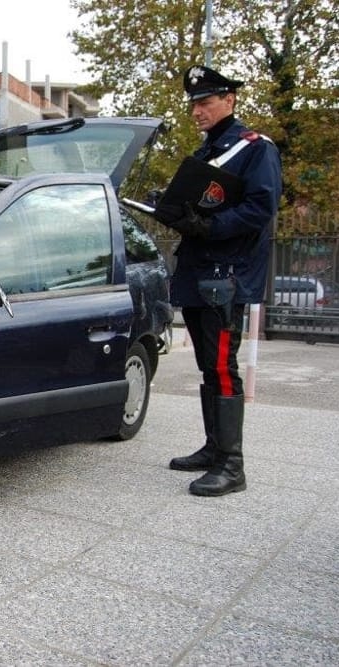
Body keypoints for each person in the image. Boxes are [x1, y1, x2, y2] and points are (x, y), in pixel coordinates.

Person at [156, 65, 283, 496]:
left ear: (229, 100)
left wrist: (209, 227)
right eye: (194, 103)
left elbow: (260, 208)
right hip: (198, 273)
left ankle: (233, 466)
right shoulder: (207, 152)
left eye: (205, 101)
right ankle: (214, 448)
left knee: (225, 370)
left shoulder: (254, 148)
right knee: (208, 367)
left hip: (226, 275)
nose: (197, 110)